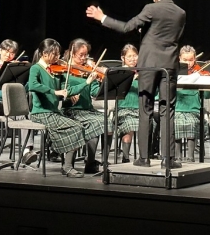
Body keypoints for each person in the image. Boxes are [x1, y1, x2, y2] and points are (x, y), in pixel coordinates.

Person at [86, 0, 186, 169]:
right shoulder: (181, 13)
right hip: (169, 65)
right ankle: (168, 159)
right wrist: (148, 32)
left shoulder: (151, 8)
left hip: (149, 65)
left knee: (145, 108)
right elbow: (169, 36)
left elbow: (126, 27)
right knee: (167, 110)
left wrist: (102, 17)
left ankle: (144, 158)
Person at [27, 38, 86, 177]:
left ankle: (66, 164)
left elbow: (66, 90)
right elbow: (33, 85)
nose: (57, 57)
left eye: (58, 54)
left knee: (78, 126)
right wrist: (54, 92)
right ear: (44, 54)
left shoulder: (54, 71)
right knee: (76, 127)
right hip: (41, 113)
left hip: (53, 112)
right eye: (54, 54)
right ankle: (67, 166)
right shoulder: (36, 68)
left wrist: (86, 82)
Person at [62, 38, 108, 174]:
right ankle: (69, 164)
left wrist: (101, 82)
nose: (83, 59)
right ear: (72, 53)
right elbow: (60, 89)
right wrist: (68, 94)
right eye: (80, 55)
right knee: (95, 123)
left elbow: (94, 92)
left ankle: (90, 162)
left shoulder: (87, 71)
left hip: (87, 110)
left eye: (85, 55)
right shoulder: (64, 70)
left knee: (103, 121)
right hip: (70, 110)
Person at [174, 45, 210, 162]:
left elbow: (207, 96)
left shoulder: (200, 72)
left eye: (191, 60)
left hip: (194, 110)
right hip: (177, 109)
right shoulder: (174, 73)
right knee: (175, 122)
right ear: (179, 58)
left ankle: (190, 157)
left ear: (195, 59)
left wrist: (206, 81)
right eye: (185, 60)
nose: (188, 63)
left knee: (191, 123)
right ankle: (177, 157)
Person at [116, 44, 141, 163]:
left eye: (135, 56)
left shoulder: (142, 73)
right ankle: (125, 157)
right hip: (123, 109)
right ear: (123, 58)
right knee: (130, 123)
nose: (132, 59)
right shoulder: (119, 73)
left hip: (139, 109)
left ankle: (146, 155)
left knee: (150, 123)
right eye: (129, 56)